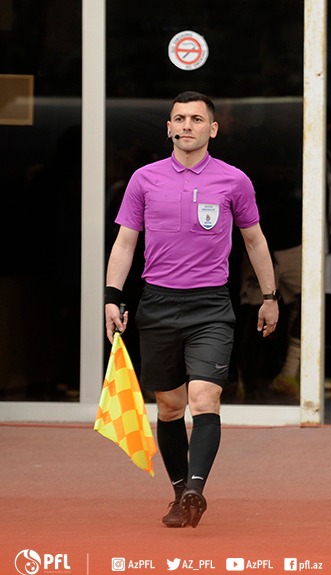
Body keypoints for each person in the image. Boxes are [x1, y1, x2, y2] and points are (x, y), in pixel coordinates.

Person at [104, 91, 279, 529]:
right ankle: (180, 490)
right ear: (169, 127)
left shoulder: (234, 180)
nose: (187, 126)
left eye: (196, 119)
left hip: (210, 305)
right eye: (179, 118)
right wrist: (112, 296)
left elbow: (254, 240)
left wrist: (270, 297)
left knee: (204, 397)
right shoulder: (143, 179)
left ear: (212, 129)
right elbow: (125, 243)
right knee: (169, 406)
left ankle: (196, 489)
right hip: (157, 303)